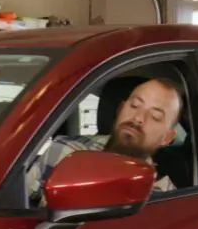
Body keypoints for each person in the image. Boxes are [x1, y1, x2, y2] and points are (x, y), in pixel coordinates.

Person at [28, 77, 185, 200]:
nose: (138, 117)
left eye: (155, 116)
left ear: (167, 138)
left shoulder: (165, 197)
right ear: (120, 109)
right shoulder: (64, 151)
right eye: (135, 105)